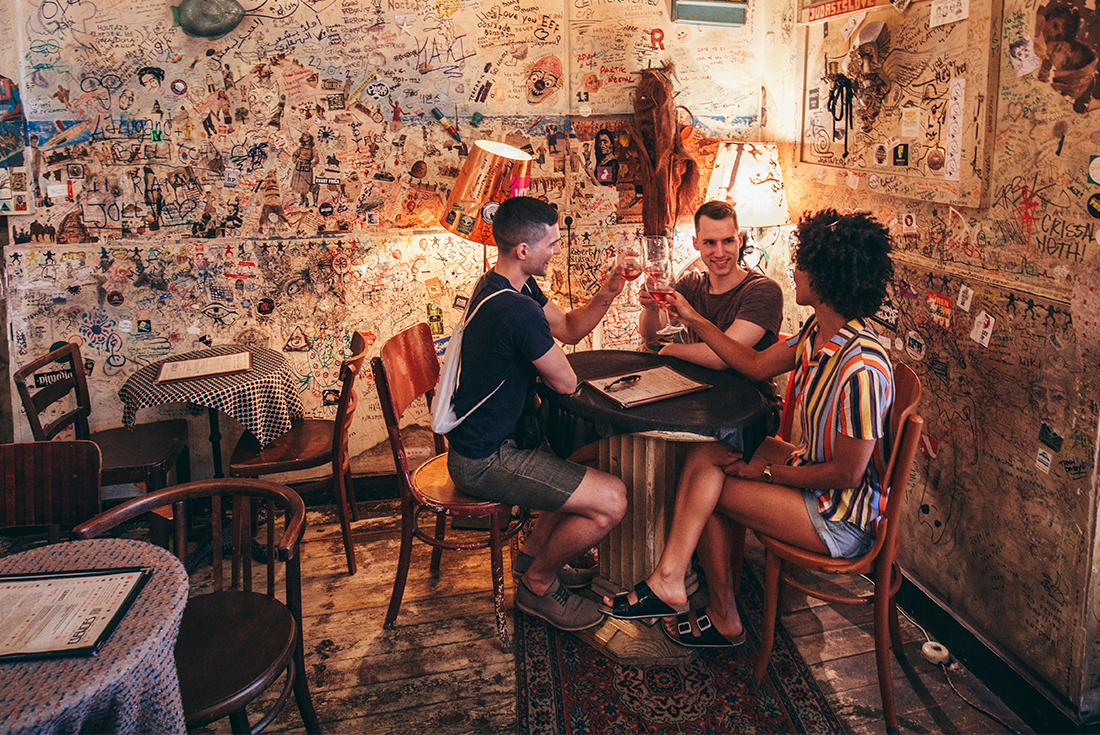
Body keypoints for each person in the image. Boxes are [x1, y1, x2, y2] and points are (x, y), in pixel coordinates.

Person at [601, 209, 896, 649]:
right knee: (707, 454)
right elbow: (754, 362)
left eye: (803, 264)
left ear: (826, 277)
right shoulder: (820, 334)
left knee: (711, 492)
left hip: (840, 515)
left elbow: (846, 476)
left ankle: (718, 612)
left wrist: (766, 473)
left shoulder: (862, 368)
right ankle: (672, 580)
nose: (794, 272)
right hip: (812, 469)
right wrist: (693, 320)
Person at [446, 196, 628, 632]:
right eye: (553, 242)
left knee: (584, 462)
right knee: (612, 501)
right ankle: (538, 584)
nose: (558, 250)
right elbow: (565, 383)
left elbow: (566, 328)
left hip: (491, 443)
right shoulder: (516, 309)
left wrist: (607, 293)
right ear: (523, 251)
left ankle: (532, 558)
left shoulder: (507, 285)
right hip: (485, 459)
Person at [640, 200, 783, 368]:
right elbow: (651, 335)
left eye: (728, 241)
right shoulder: (691, 283)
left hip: (749, 393)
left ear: (739, 240)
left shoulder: (763, 290)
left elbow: (722, 359)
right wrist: (651, 307)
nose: (720, 252)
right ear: (696, 243)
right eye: (710, 242)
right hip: (698, 389)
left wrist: (669, 351)